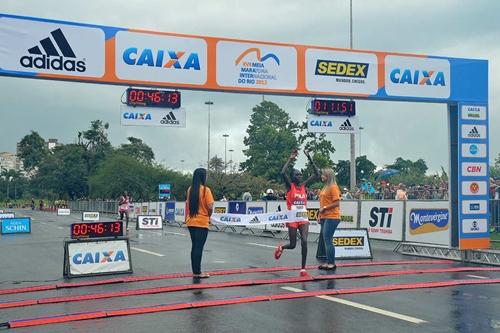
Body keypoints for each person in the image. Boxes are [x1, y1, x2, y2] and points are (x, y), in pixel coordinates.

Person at [274, 149, 320, 277]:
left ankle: (303, 269)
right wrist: (290, 158)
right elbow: (282, 173)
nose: (300, 176)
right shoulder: (290, 187)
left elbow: (317, 173)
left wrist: (309, 157)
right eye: (297, 175)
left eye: (301, 175)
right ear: (293, 177)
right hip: (292, 218)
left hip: (303, 218)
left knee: (305, 241)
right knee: (293, 245)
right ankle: (282, 248)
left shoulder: (304, 185)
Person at [185, 168, 214, 279]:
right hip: (202, 222)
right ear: (203, 177)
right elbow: (210, 207)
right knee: (199, 247)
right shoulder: (206, 190)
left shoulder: (190, 189)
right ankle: (197, 272)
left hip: (191, 221)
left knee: (194, 246)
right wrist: (209, 215)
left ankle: (195, 271)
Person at [318, 168, 341, 270]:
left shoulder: (333, 187)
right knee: (326, 239)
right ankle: (328, 262)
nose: (321, 176)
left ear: (328, 176)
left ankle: (331, 263)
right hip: (325, 216)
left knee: (328, 239)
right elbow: (323, 203)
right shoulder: (325, 187)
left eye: (323, 175)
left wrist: (325, 208)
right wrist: (320, 216)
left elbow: (337, 203)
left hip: (332, 216)